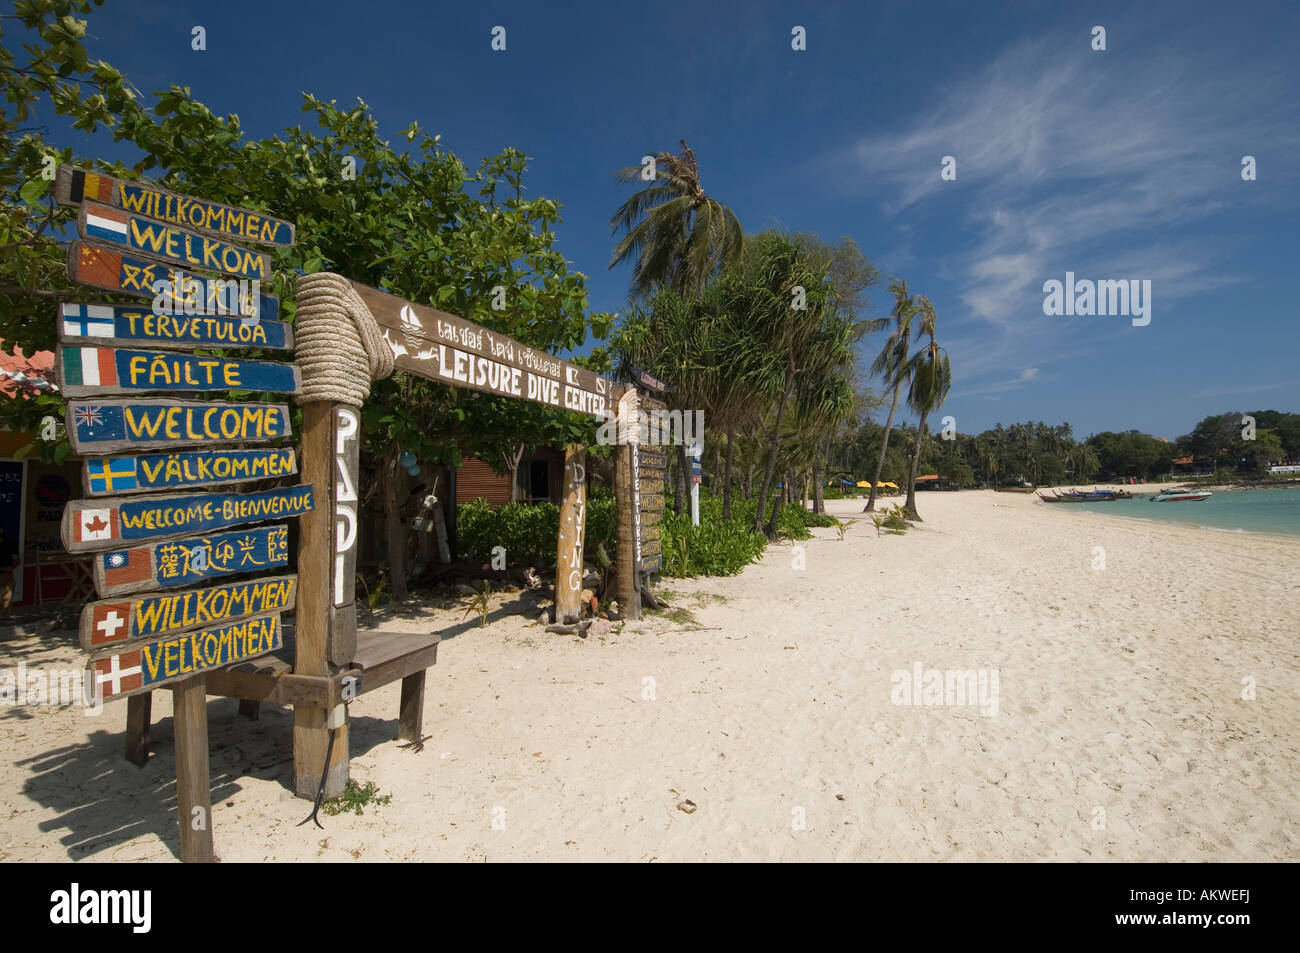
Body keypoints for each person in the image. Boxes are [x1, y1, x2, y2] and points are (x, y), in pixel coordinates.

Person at [0, 526, 18, 620]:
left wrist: (11, 567)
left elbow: (16, 560)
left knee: (9, 585)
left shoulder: (9, 544)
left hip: (4, 572)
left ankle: (2, 613)